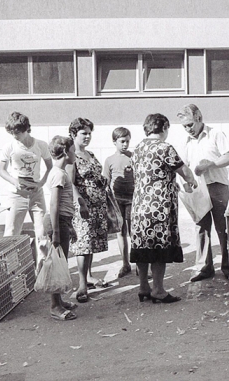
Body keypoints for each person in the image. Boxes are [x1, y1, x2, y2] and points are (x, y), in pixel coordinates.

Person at [130, 113, 197, 303]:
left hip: (140, 205)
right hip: (158, 206)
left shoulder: (138, 148)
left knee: (143, 246)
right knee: (159, 247)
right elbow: (183, 170)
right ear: (165, 127)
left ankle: (143, 286)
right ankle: (158, 290)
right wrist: (192, 182)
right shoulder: (164, 147)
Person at [176, 104, 229, 282]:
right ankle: (204, 267)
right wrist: (185, 184)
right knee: (201, 227)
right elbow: (183, 166)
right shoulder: (186, 141)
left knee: (223, 228)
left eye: (190, 124)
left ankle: (228, 267)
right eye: (184, 126)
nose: (188, 129)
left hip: (217, 186)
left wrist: (210, 164)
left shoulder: (216, 134)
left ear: (199, 118)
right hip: (197, 189)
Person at [0, 112, 52, 268]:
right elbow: (1, 171)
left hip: (36, 193)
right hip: (17, 195)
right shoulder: (9, 147)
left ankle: (42, 269)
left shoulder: (40, 145)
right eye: (12, 132)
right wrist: (14, 181)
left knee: (42, 233)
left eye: (18, 132)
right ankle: (11, 270)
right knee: (11, 233)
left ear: (26, 129)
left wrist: (41, 184)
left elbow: (50, 167)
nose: (15, 135)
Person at [68, 117, 109, 303]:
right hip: (83, 206)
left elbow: (96, 175)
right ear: (73, 135)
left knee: (91, 242)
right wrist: (80, 203)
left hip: (97, 204)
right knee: (83, 244)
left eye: (89, 133)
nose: (87, 136)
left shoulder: (90, 154)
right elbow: (70, 183)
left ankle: (89, 276)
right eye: (84, 133)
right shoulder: (71, 157)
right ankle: (82, 284)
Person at [46, 135, 86, 321]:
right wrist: (56, 232)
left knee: (61, 263)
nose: (74, 153)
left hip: (63, 221)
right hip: (58, 222)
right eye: (72, 150)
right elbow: (54, 205)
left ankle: (59, 301)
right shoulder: (59, 174)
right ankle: (55, 306)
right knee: (57, 265)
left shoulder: (59, 172)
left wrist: (69, 227)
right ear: (65, 152)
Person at [103, 127, 134, 279]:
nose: (125, 144)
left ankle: (139, 264)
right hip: (116, 200)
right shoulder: (109, 160)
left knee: (134, 232)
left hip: (132, 199)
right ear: (114, 142)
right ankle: (125, 263)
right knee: (121, 232)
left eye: (127, 141)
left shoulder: (133, 157)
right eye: (122, 141)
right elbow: (106, 181)